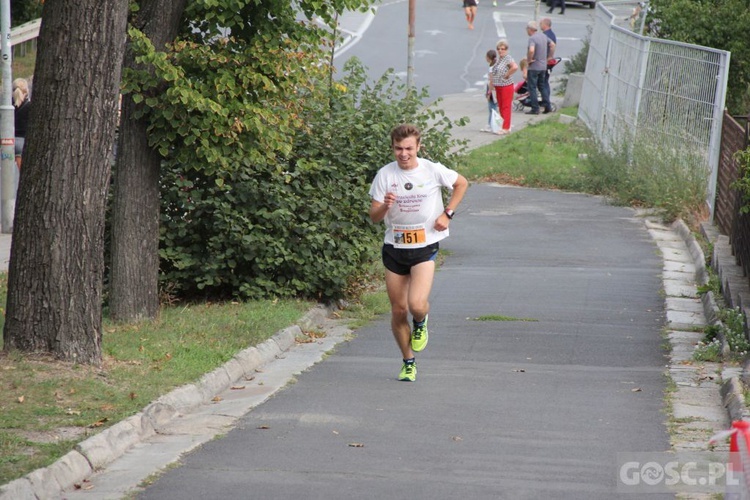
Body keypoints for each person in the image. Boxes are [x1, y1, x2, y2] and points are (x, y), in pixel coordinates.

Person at [368, 124, 468, 382]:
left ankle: (421, 322)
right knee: (399, 310)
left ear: (418, 147)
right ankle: (408, 361)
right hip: (395, 248)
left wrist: (447, 214)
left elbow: (461, 183)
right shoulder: (385, 175)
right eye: (398, 148)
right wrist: (385, 206)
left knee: (416, 305)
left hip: (424, 246)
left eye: (409, 148)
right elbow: (374, 218)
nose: (403, 154)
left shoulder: (432, 169)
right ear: (392, 148)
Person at [524, 20, 555, 115]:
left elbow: (531, 50)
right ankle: (547, 106)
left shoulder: (532, 39)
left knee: (532, 87)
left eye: (527, 29)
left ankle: (535, 108)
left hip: (534, 66)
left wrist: (529, 60)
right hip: (543, 66)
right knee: (542, 86)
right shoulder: (544, 36)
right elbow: (552, 45)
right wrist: (549, 57)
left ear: (530, 29)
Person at [491, 39, 518, 135]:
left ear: (506, 49)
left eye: (502, 49)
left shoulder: (507, 58)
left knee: (506, 106)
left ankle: (506, 127)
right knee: (501, 106)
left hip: (506, 85)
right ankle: (503, 125)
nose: (500, 51)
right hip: (498, 86)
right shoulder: (499, 59)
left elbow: (515, 67)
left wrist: (507, 74)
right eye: (498, 49)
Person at [13, 78, 30, 169]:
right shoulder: (29, 106)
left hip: (8, 141)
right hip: (22, 140)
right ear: (26, 90)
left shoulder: (7, 106)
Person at [539, 18, 557, 107]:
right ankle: (546, 100)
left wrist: (549, 57)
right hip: (548, 62)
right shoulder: (552, 34)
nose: (539, 24)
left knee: (542, 82)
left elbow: (551, 46)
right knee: (545, 81)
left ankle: (546, 102)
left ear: (545, 24)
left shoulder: (545, 35)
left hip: (545, 62)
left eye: (541, 23)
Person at [482, 49, 500, 133]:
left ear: (488, 57)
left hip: (492, 89)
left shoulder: (491, 68)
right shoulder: (497, 65)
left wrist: (489, 92)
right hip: (497, 88)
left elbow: (491, 81)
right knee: (494, 107)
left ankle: (490, 125)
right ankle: (494, 124)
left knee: (491, 108)